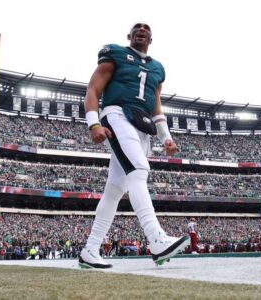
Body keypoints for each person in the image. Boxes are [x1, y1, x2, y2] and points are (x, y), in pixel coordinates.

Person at [79, 22, 190, 269]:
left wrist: (166, 137)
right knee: (139, 171)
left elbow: (156, 106)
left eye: (146, 28)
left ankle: (90, 249)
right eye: (136, 27)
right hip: (117, 115)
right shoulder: (116, 53)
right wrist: (93, 123)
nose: (142, 29)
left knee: (115, 189)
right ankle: (156, 239)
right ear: (129, 35)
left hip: (142, 125)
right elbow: (93, 88)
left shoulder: (157, 69)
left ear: (151, 38)